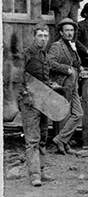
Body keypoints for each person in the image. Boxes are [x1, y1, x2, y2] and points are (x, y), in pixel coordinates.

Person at [18, 25, 56, 186]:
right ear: (34, 36)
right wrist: (24, 94)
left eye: (46, 36)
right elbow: (16, 75)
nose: (43, 38)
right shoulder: (25, 54)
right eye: (40, 35)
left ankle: (41, 169)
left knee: (43, 137)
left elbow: (44, 77)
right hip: (30, 102)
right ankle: (34, 174)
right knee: (32, 139)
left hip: (43, 101)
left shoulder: (45, 55)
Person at [48, 18, 88, 154]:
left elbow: (75, 63)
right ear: (61, 32)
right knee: (63, 115)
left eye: (71, 30)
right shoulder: (57, 46)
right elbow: (49, 62)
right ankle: (63, 145)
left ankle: (61, 139)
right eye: (66, 30)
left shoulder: (72, 45)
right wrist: (66, 69)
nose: (69, 33)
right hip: (62, 84)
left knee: (78, 114)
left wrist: (80, 70)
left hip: (74, 84)